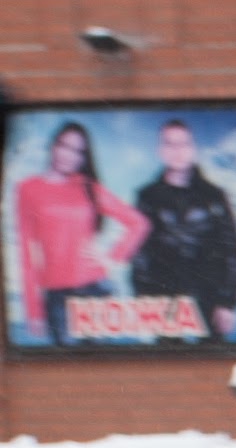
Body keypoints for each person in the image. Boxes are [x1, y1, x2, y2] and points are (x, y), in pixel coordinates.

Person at [15, 121, 147, 343]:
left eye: (78, 151)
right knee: (69, 362)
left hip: (98, 291)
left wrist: (112, 258)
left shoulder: (89, 187)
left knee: (101, 363)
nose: (69, 155)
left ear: (83, 158)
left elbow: (139, 223)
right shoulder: (28, 188)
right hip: (58, 297)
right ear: (53, 145)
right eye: (64, 146)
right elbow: (27, 254)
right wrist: (33, 311)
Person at [130, 118, 236, 341]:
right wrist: (143, 299)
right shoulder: (147, 197)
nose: (177, 151)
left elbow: (231, 251)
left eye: (183, 144)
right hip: (164, 298)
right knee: (168, 358)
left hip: (209, 297)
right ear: (161, 150)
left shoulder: (214, 196)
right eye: (170, 144)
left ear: (193, 149)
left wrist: (227, 302)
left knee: (214, 357)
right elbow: (140, 253)